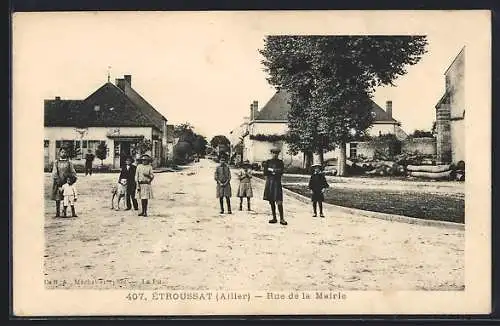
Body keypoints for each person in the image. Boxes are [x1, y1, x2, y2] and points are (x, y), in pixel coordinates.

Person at [262, 146, 287, 225]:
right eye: (274, 153)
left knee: (279, 201)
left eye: (277, 153)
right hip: (270, 183)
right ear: (271, 153)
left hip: (277, 183)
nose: (275, 155)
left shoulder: (280, 162)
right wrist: (273, 171)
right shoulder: (268, 162)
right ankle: (274, 217)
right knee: (271, 200)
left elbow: (281, 172)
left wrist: (272, 170)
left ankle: (282, 219)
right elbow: (265, 172)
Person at [51, 147, 77, 218]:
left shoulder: (69, 162)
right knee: (58, 198)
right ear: (59, 153)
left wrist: (72, 180)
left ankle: (65, 211)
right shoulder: (56, 162)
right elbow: (55, 173)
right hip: (58, 182)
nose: (63, 153)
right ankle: (57, 212)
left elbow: (73, 172)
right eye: (62, 152)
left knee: (67, 197)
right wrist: (58, 183)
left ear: (67, 153)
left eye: (65, 152)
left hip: (66, 182)